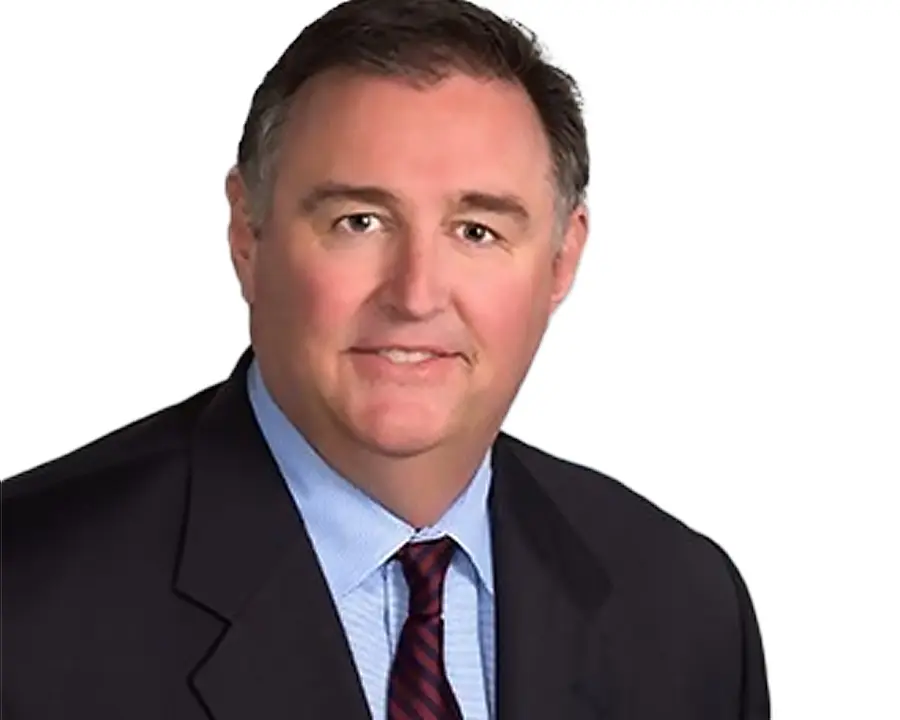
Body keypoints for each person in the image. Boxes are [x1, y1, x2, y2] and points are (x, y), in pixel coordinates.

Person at [1, 0, 770, 717]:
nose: (415, 294)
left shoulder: (684, 608)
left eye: (476, 231)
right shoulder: (23, 599)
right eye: (359, 221)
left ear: (561, 260)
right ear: (248, 234)